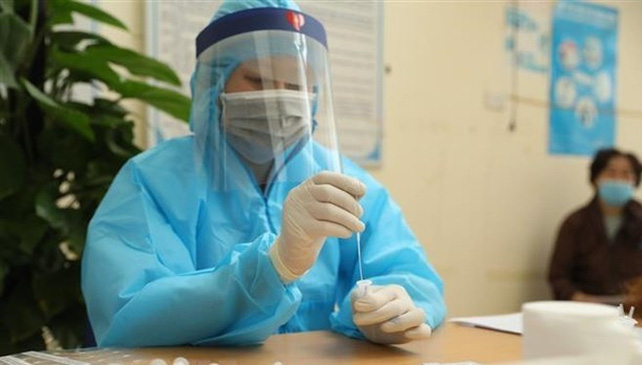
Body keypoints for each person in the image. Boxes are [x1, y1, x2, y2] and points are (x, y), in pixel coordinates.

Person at [81, 0, 446, 347]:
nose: (279, 100)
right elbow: (131, 313)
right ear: (214, 81)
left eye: (296, 87)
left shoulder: (345, 182)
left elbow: (407, 271)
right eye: (258, 80)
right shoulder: (150, 183)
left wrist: (392, 310)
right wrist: (274, 266)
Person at [548, 148, 642, 304]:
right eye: (611, 173)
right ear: (596, 178)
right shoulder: (575, 223)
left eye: (626, 174)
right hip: (585, 309)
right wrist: (580, 298)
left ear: (635, 180)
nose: (618, 180)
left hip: (634, 310)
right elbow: (558, 276)